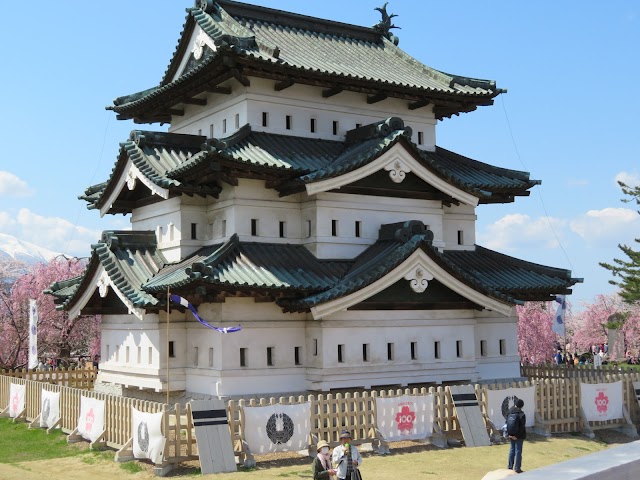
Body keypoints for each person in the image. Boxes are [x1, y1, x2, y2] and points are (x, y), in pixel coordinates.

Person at [506, 399, 526, 474]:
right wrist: (516, 436)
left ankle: (510, 466)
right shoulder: (521, 414)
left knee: (512, 450)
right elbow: (522, 427)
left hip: (511, 434)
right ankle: (517, 468)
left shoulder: (510, 411)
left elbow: (507, 423)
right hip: (518, 436)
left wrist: (509, 434)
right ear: (522, 406)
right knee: (518, 451)